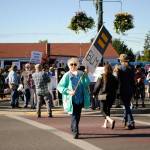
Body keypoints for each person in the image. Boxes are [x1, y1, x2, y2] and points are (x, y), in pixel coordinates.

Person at [57, 57, 90, 139]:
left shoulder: (81, 73)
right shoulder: (67, 75)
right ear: (69, 66)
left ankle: (73, 128)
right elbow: (60, 87)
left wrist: (86, 76)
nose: (73, 66)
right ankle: (75, 132)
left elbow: (86, 84)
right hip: (71, 100)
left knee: (78, 115)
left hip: (80, 98)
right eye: (71, 64)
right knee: (74, 115)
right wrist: (69, 92)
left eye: (75, 64)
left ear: (77, 65)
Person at [93, 64, 118, 129]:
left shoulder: (101, 76)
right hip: (112, 96)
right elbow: (117, 87)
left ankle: (110, 120)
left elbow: (97, 86)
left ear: (104, 69)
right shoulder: (114, 77)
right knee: (108, 109)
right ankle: (105, 124)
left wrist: (94, 93)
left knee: (102, 110)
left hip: (103, 95)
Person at [118, 54, 135, 130]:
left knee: (127, 106)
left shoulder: (120, 68)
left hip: (123, 89)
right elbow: (132, 81)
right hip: (130, 89)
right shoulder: (131, 68)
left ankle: (131, 122)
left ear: (121, 60)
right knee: (127, 105)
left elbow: (118, 81)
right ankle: (125, 120)